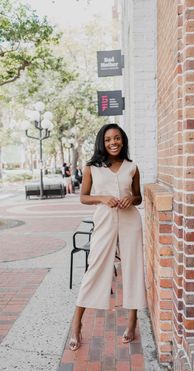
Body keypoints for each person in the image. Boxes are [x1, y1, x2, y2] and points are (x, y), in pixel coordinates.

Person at [69, 123, 147, 351]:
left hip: (130, 221)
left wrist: (130, 200)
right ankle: (77, 324)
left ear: (123, 140)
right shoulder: (91, 167)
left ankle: (132, 323)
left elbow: (139, 197)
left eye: (117, 138)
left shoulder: (132, 167)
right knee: (95, 268)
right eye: (108, 139)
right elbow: (83, 197)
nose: (113, 142)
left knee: (133, 269)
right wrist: (102, 198)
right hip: (104, 221)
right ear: (102, 143)